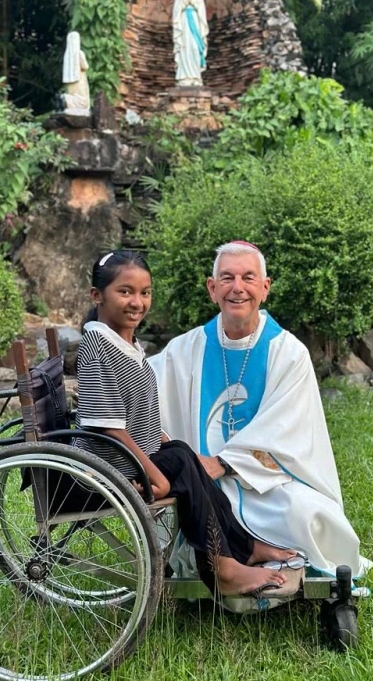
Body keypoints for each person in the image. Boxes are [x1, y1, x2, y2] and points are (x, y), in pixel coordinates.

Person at [75, 249, 298, 596]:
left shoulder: (123, 343)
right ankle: (221, 568)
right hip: (110, 466)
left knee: (184, 454)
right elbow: (109, 426)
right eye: (125, 292)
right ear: (97, 295)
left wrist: (163, 441)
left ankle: (244, 547)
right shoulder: (97, 348)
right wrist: (156, 475)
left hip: (128, 457)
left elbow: (138, 412)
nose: (137, 302)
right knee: (181, 463)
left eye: (145, 293)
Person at [149, 241, 372, 580]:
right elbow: (142, 384)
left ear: (265, 288)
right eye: (226, 278)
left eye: (248, 278)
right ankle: (242, 561)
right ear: (212, 289)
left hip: (267, 483)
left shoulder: (288, 353)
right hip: (206, 484)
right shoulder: (187, 348)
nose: (237, 288)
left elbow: (287, 430)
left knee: (305, 515)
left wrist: (223, 462)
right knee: (202, 506)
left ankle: (262, 558)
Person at [172, 0, 209, 87]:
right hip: (184, 23)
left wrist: (192, 2)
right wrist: (184, 3)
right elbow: (176, 12)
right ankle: (184, 77)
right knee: (184, 47)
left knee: (194, 46)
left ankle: (195, 76)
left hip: (195, 23)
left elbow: (201, 12)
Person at [60, 31, 90, 114]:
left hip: (70, 81)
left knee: (73, 95)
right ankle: (66, 100)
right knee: (83, 100)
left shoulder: (67, 54)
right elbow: (85, 66)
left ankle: (65, 99)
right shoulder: (79, 53)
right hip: (79, 79)